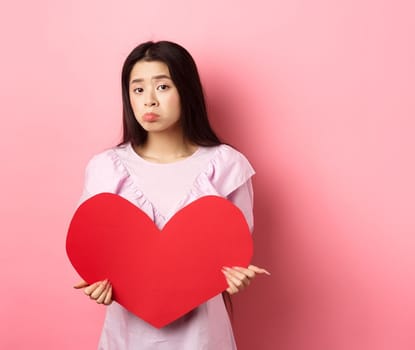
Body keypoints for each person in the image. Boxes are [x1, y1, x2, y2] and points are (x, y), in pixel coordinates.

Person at [71, 40, 269, 349]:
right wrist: (99, 283)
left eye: (162, 87)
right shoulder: (106, 168)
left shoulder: (226, 166)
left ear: (186, 91)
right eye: (138, 90)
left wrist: (235, 278)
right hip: (127, 337)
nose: (149, 101)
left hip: (203, 338)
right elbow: (93, 250)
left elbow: (234, 252)